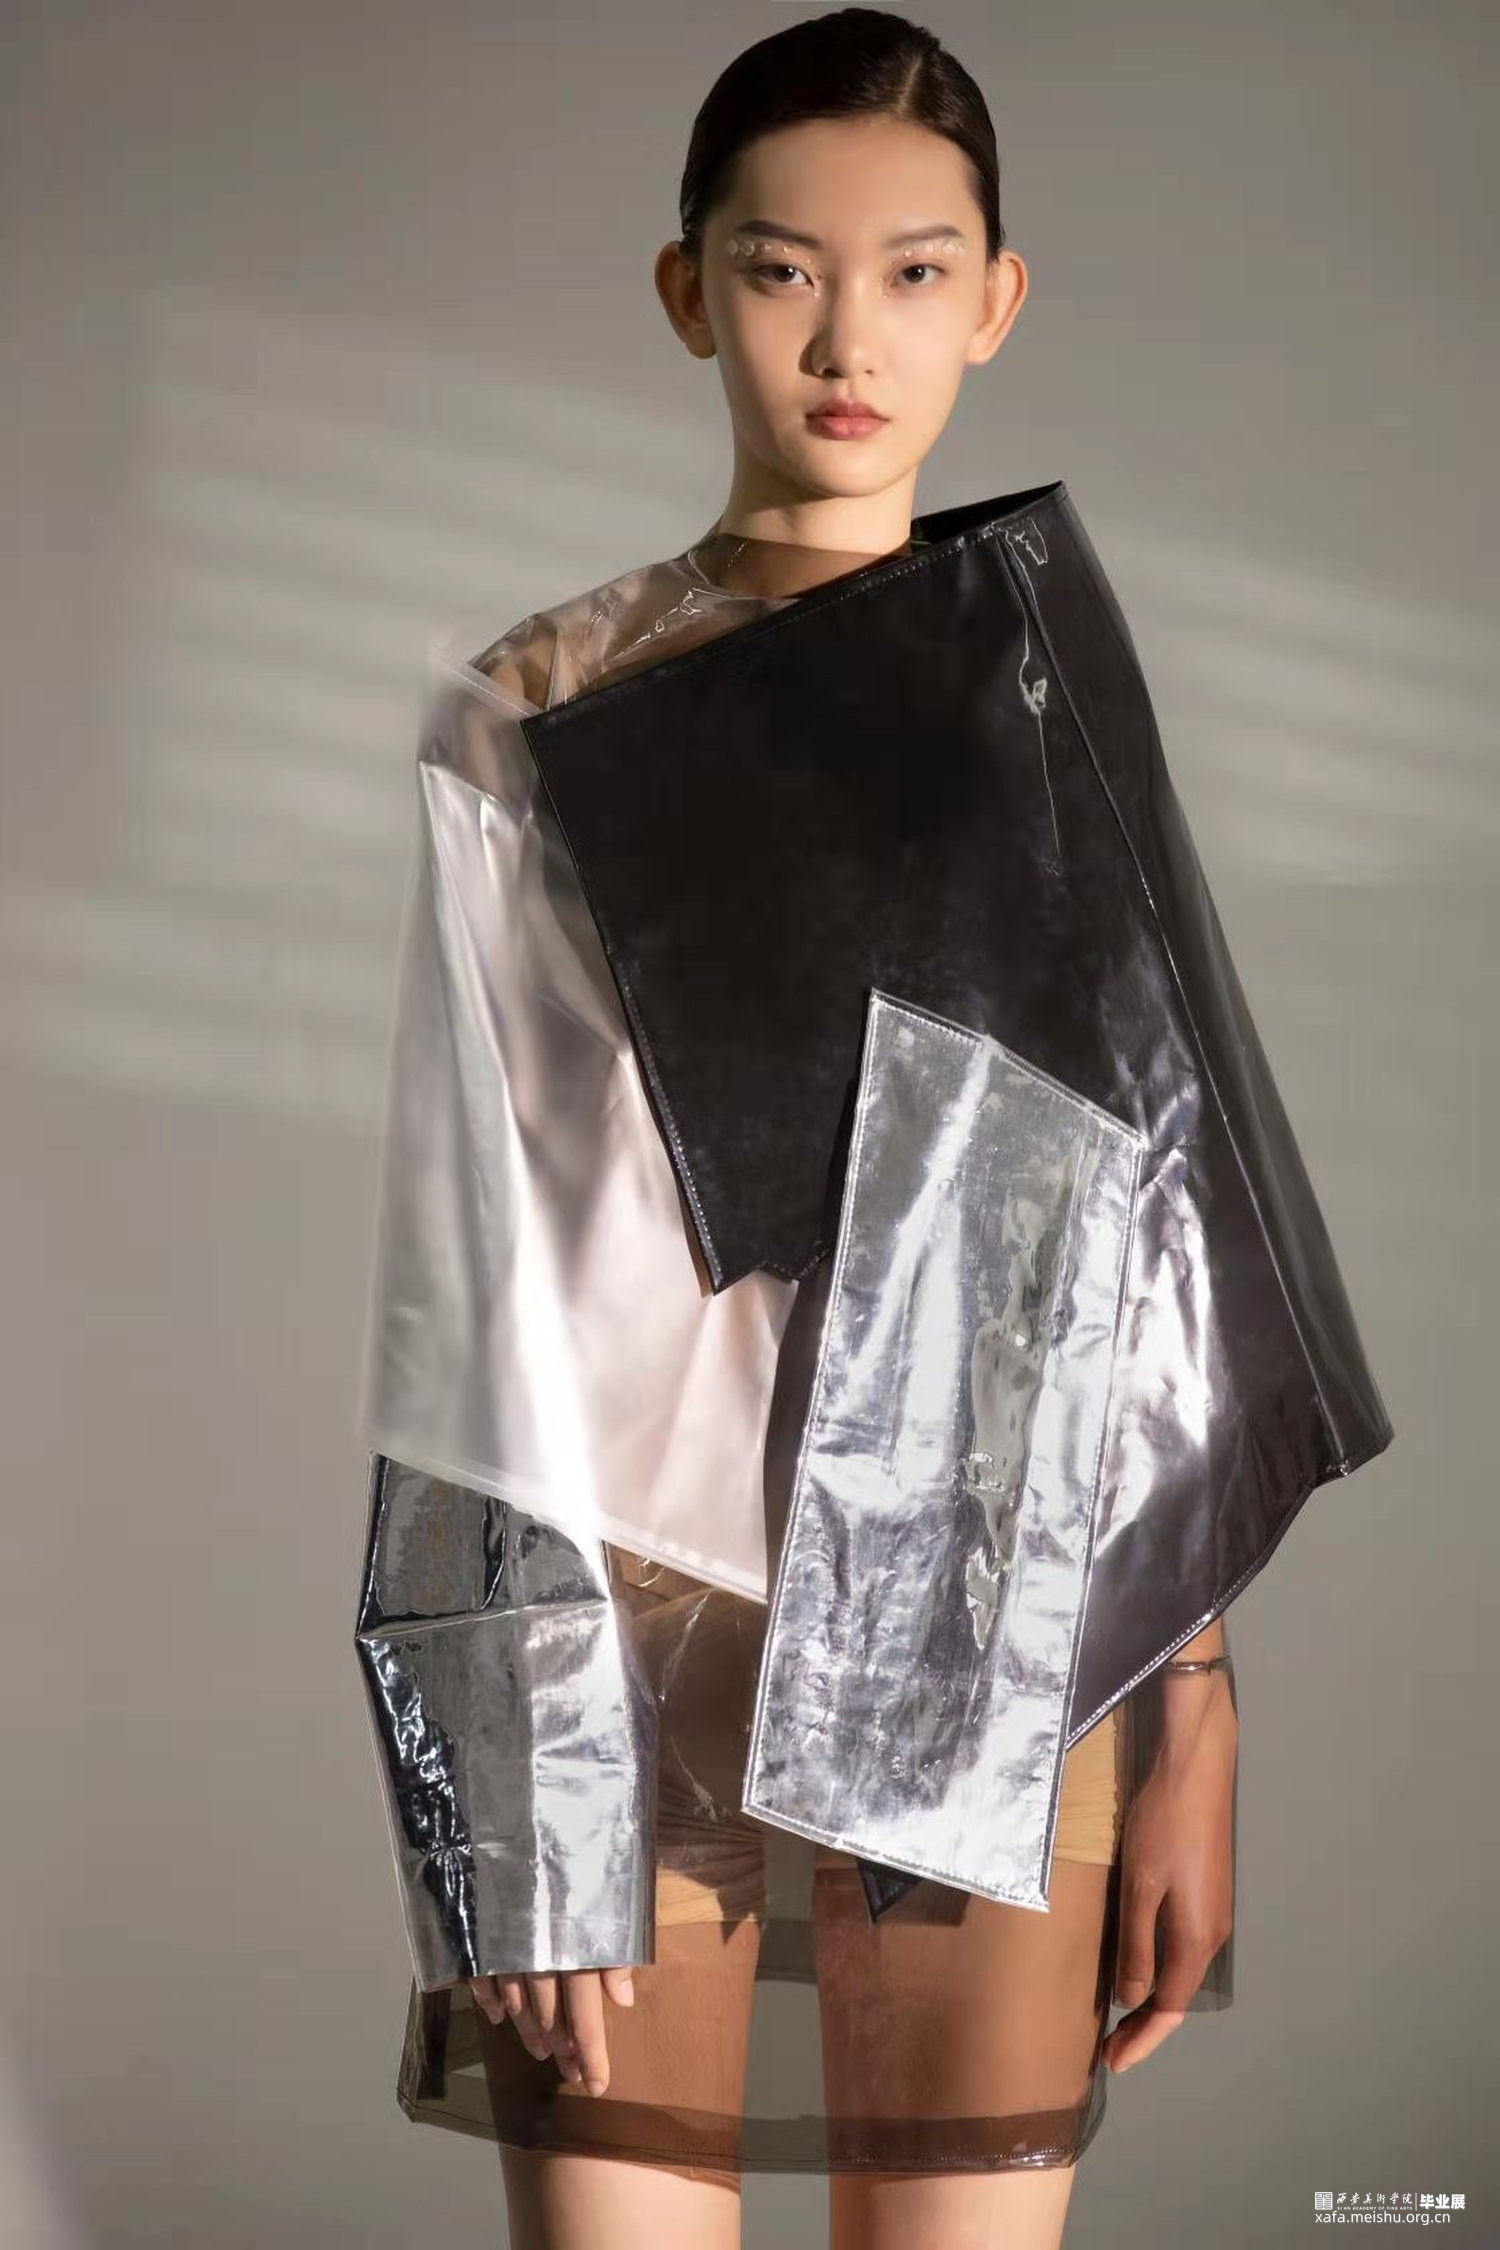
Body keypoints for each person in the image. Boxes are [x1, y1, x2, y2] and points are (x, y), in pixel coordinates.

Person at [353, 12, 1390, 2249]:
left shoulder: (1040, 694)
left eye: (915, 273)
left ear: (994, 301)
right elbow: (472, 1251)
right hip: (618, 1619)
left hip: (1006, 1606)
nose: (849, 338)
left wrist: (1194, 1704)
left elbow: (1160, 1246)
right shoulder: (540, 708)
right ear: (688, 290)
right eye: (781, 269)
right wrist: (505, 1757)